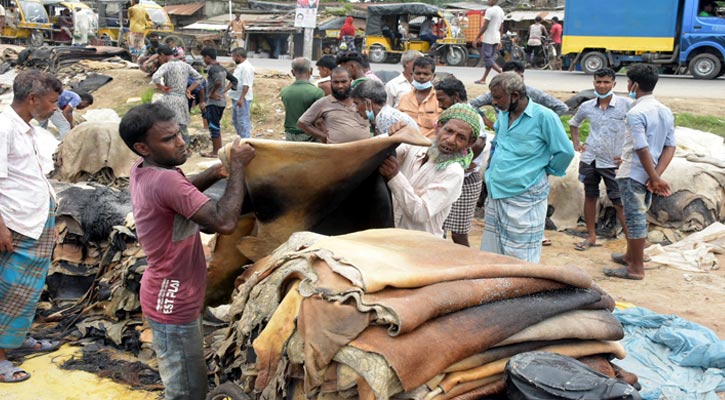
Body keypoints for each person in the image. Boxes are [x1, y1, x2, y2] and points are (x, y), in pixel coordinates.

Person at [119, 103, 255, 400]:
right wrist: (239, 168)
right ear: (143, 147)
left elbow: (181, 191)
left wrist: (217, 172)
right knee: (186, 391)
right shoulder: (166, 179)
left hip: (173, 292)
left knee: (191, 381)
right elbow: (224, 222)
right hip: (172, 299)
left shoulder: (148, 170)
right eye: (168, 139)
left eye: (179, 133)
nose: (181, 142)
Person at [0, 70, 63, 384]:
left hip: (33, 220)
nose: (55, 108)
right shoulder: (3, 128)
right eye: (52, 102)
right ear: (33, 99)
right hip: (14, 224)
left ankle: (14, 338)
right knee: (6, 290)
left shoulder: (27, 129)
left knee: (26, 290)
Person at [480, 72, 574, 263]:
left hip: (525, 196)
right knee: (494, 252)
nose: (493, 102)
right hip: (497, 193)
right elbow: (499, 142)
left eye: (497, 97)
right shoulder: (505, 115)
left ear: (515, 95)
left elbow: (565, 152)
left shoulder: (544, 117)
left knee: (521, 255)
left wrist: (545, 171)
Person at [605, 64, 675, 280]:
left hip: (634, 173)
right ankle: (629, 257)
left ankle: (636, 268)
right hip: (647, 172)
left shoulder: (635, 112)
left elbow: (641, 147)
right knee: (638, 215)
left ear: (634, 84)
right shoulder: (664, 110)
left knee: (633, 219)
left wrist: (654, 177)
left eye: (628, 82)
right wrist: (655, 175)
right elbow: (669, 146)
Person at [378, 103, 481, 237]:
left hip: (420, 246)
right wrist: (394, 135)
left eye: (461, 137)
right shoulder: (417, 147)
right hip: (392, 236)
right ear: (438, 127)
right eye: (449, 131)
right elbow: (380, 150)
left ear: (469, 143)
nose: (451, 140)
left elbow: (421, 213)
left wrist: (394, 176)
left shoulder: (453, 172)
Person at [569, 68, 633, 251]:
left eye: (606, 82)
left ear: (614, 84)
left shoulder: (627, 104)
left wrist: (628, 154)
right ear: (593, 83)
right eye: (598, 82)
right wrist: (577, 144)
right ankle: (591, 236)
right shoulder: (587, 106)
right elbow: (574, 123)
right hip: (590, 158)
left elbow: (639, 127)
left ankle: (633, 246)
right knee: (590, 196)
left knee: (619, 201)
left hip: (614, 162)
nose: (602, 86)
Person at [436, 78, 487, 247]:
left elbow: (480, 143)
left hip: (466, 181)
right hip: (452, 176)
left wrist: (462, 163)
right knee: (439, 227)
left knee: (458, 234)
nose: (440, 104)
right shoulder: (456, 114)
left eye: (442, 99)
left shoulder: (469, 116)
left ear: (455, 96)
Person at [470, 60, 568, 130]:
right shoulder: (496, 94)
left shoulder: (534, 94)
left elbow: (561, 107)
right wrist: (487, 122)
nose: (495, 102)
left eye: (521, 76)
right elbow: (471, 104)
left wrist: (542, 126)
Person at [298, 67, 370, 143]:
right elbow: (302, 123)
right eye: (336, 82)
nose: (340, 86)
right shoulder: (323, 102)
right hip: (336, 152)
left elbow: (375, 119)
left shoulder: (362, 99)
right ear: (331, 82)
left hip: (365, 151)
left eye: (344, 82)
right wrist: (323, 136)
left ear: (350, 81)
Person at [150, 45, 203, 148]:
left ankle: (172, 146)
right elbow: (199, 78)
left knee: (169, 122)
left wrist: (161, 87)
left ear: (162, 55)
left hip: (170, 98)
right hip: (182, 98)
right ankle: (185, 146)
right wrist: (189, 89)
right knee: (182, 124)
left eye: (159, 57)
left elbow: (155, 77)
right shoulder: (185, 65)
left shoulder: (166, 66)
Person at [199, 47, 238, 157]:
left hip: (214, 102)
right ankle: (218, 150)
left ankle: (216, 152)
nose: (203, 60)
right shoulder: (222, 68)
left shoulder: (213, 69)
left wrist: (212, 93)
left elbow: (217, 82)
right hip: (221, 102)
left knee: (213, 126)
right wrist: (223, 92)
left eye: (203, 57)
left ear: (207, 57)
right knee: (215, 125)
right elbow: (234, 80)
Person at [351, 79, 418, 137]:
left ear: (367, 102)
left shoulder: (383, 117)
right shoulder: (387, 112)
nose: (356, 109)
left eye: (357, 103)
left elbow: (385, 147)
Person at [280, 57, 325, 142]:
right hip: (310, 135)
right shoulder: (317, 92)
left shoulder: (284, 91)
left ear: (292, 72)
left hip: (290, 135)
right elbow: (320, 119)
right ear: (311, 71)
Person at [397, 56, 440, 138]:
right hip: (406, 142)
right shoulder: (404, 98)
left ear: (433, 76)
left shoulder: (439, 99)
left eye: (426, 74)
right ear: (412, 74)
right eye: (418, 73)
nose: (421, 77)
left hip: (429, 144)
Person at [474, 0, 504, 84]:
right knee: (489, 59)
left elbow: (485, 26)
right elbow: (501, 27)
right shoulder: (501, 11)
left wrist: (476, 38)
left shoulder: (490, 10)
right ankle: (483, 79)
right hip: (496, 37)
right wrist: (500, 39)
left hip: (489, 38)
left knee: (487, 58)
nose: (488, 1)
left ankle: (502, 73)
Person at [228, 47, 255, 139]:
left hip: (242, 99)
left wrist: (241, 98)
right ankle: (241, 140)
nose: (233, 59)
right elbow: (234, 81)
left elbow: (246, 84)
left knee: (243, 121)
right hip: (236, 98)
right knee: (236, 120)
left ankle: (246, 141)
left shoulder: (246, 68)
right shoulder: (240, 67)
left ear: (238, 57)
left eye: (233, 56)